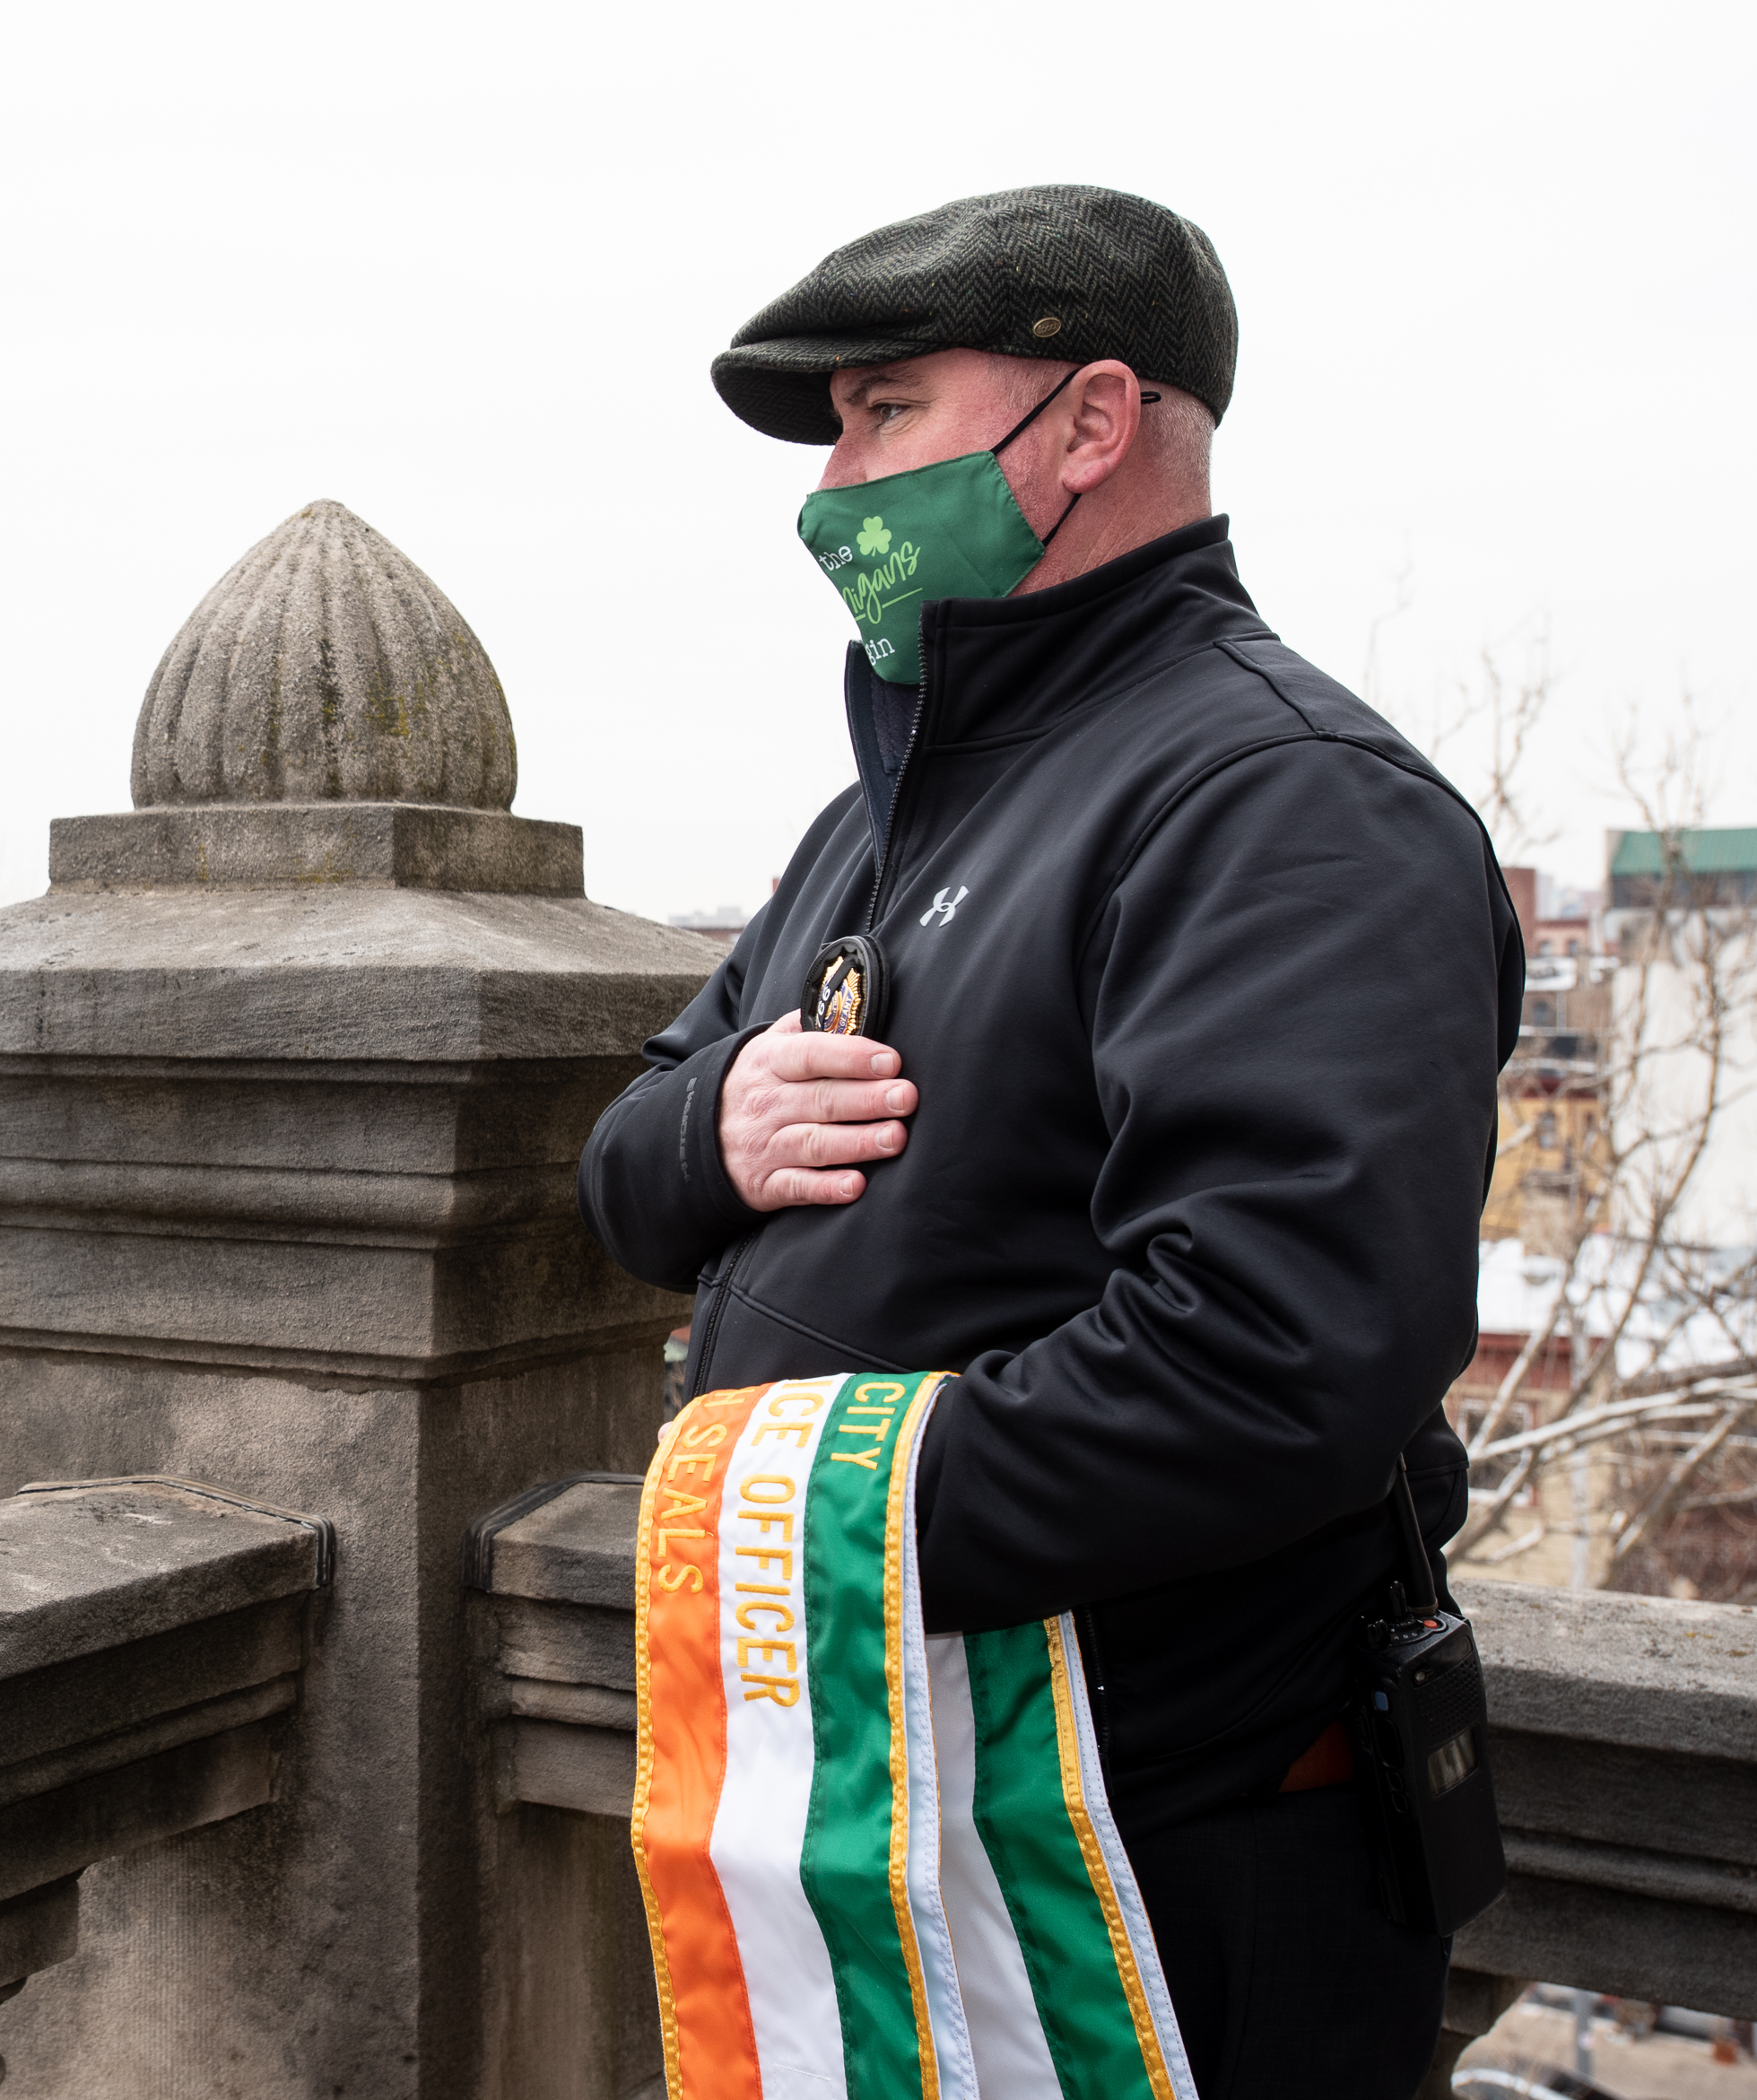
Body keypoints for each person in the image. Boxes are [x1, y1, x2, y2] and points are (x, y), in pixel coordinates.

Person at [578, 186, 1522, 2098]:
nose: (836, 479)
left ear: (1092, 425)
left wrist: (785, 1527)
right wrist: (721, 1120)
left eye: (887, 412)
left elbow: (1275, 1354)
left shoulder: (1283, 799)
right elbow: (626, 1165)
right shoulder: (884, 809)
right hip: (903, 1786)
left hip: (1167, 1843)